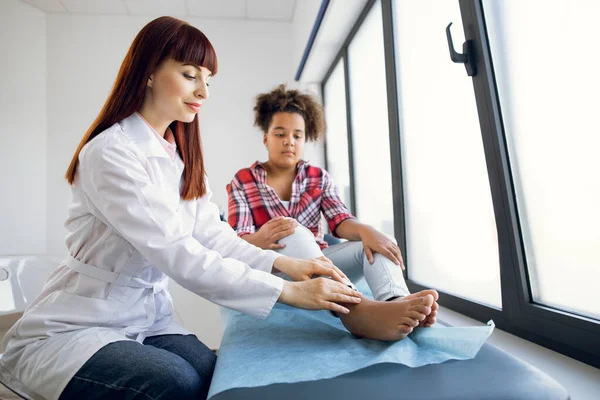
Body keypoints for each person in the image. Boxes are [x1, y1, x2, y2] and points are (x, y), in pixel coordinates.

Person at [0, 17, 365, 400]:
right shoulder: (111, 153)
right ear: (150, 72)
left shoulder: (179, 156)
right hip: (78, 326)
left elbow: (211, 235)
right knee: (176, 382)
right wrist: (290, 293)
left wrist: (286, 265)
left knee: (216, 375)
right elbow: (178, 253)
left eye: (208, 79)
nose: (203, 91)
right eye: (190, 74)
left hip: (145, 318)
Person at [227, 84, 440, 342]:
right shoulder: (244, 179)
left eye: (297, 135)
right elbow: (235, 242)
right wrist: (261, 239)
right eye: (280, 134)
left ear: (306, 140)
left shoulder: (318, 177)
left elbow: (340, 221)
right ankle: (355, 310)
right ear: (266, 138)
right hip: (278, 270)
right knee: (293, 229)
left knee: (376, 243)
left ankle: (395, 301)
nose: (289, 142)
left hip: (321, 264)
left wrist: (369, 232)